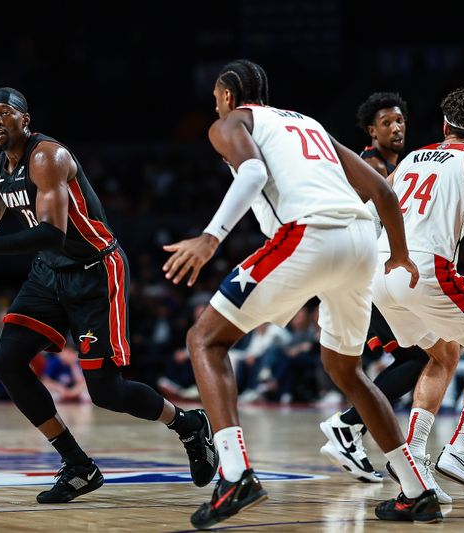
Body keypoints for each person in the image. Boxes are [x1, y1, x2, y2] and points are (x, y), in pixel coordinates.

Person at [0, 87, 217, 503]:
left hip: (95, 271)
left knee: (106, 392)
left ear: (24, 120)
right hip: (49, 273)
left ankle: (188, 424)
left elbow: (52, 232)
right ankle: (79, 466)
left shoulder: (48, 157)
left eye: (5, 112)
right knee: (6, 361)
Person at [163, 60, 441, 527]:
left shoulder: (231, 122)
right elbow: (381, 192)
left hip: (308, 234)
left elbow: (251, 173)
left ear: (229, 96)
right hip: (358, 244)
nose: (215, 106)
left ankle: (235, 474)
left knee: (204, 340)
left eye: (216, 98)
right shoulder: (308, 124)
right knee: (346, 370)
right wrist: (398, 254)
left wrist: (210, 237)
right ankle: (415, 490)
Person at [371, 86, 464, 502]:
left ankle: (415, 454)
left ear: (444, 126)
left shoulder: (413, 157)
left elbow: (377, 202)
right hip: (425, 267)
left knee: (443, 353)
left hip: (382, 268)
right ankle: (461, 450)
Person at [318, 92, 432, 485]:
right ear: (371, 130)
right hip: (363, 273)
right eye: (387, 122)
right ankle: (347, 426)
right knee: (420, 359)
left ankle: (349, 428)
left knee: (416, 360)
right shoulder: (369, 165)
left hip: (373, 274)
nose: (396, 128)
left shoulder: (400, 165)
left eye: (400, 121)